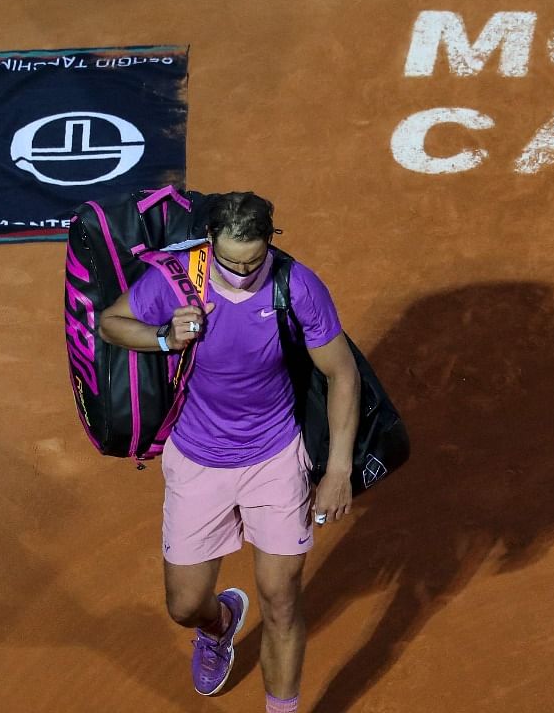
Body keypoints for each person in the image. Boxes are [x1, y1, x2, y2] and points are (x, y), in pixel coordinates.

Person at [98, 191, 360, 713]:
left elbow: (342, 373)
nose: (242, 272)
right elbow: (111, 323)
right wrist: (165, 337)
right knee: (185, 604)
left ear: (270, 243)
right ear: (210, 241)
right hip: (197, 459)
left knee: (282, 601)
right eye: (231, 261)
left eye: (254, 260)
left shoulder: (297, 285)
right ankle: (218, 626)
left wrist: (337, 470)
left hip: (275, 459)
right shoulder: (178, 278)